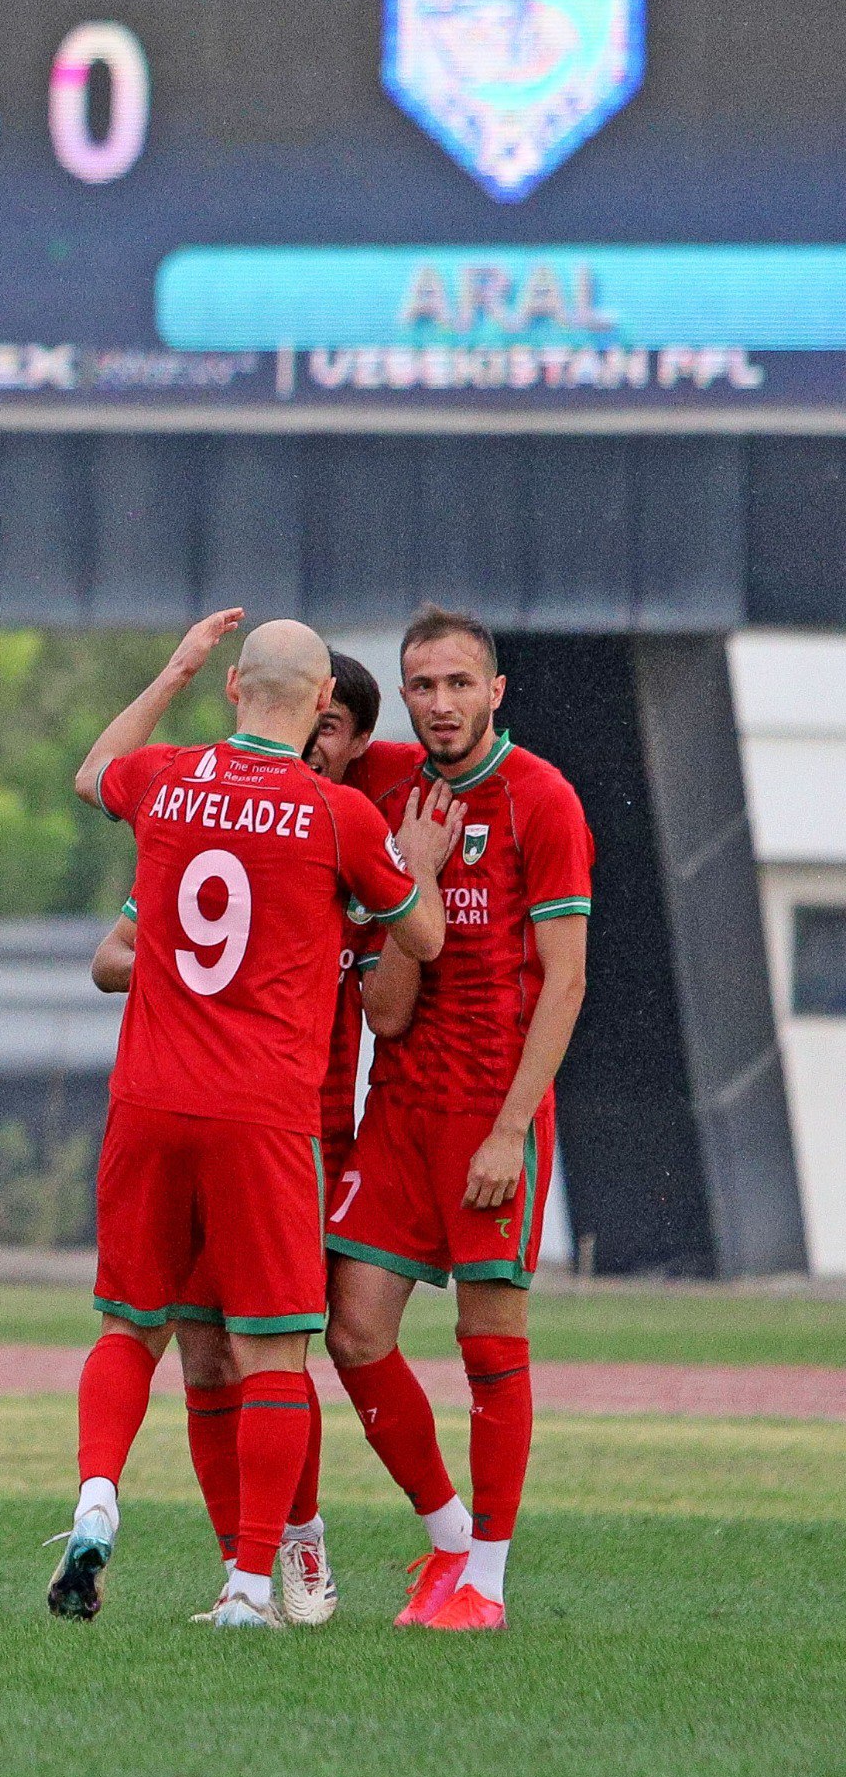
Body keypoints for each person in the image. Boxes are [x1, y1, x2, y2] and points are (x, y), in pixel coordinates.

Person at [52, 612, 455, 1629]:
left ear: (233, 686)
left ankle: (97, 1492)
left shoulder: (166, 780)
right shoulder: (332, 816)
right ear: (323, 702)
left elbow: (95, 771)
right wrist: (413, 863)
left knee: (129, 1324)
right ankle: (244, 1586)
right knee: (272, 1351)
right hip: (261, 1114)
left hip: (148, 1098)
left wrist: (169, 669)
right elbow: (422, 934)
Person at [327, 606, 593, 1634]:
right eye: (420, 686)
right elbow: (317, 741)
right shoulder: (386, 777)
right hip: (396, 1106)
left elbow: (563, 983)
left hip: (490, 1110)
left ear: (494, 691)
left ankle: (486, 1575)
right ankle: (444, 1541)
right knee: (351, 1328)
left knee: (488, 1331)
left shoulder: (543, 801)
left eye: (455, 684)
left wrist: (507, 1130)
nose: (438, 703)